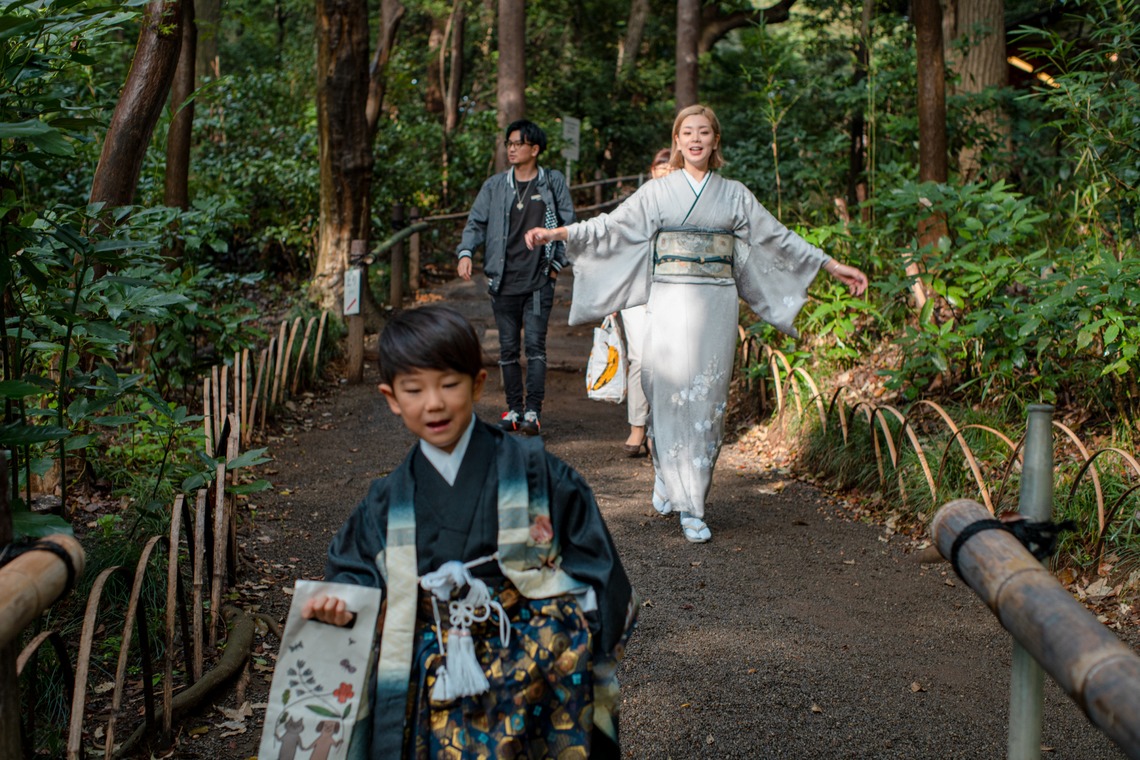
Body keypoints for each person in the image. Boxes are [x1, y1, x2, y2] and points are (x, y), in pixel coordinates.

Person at [301, 304, 638, 758]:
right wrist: (342, 598)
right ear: (391, 398)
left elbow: (600, 573)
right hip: (428, 682)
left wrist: (568, 638)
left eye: (449, 384)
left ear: (478, 384)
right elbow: (355, 568)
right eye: (414, 389)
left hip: (534, 678)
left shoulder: (539, 476)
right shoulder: (385, 502)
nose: (434, 402)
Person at [525, 104, 868, 544]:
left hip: (717, 300)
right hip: (668, 297)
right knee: (663, 390)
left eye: (704, 132)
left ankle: (693, 503)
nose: (695, 139)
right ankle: (669, 476)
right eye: (687, 132)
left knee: (706, 399)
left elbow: (776, 236)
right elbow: (613, 226)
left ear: (715, 141)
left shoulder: (735, 194)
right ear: (677, 140)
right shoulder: (658, 192)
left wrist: (830, 264)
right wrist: (558, 234)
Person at [456, 120, 576, 436]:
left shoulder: (552, 183)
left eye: (517, 143)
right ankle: (514, 410)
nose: (511, 148)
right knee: (508, 350)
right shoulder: (495, 186)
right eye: (508, 143)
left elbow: (568, 226)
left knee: (535, 348)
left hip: (538, 280)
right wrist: (466, 252)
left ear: (534, 149)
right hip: (502, 281)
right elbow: (475, 223)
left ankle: (533, 412)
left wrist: (555, 267)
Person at [619, 148, 674, 457]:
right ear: (652, 170)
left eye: (670, 167)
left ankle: (657, 430)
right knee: (640, 358)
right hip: (635, 291)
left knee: (664, 361)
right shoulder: (636, 203)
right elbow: (617, 244)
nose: (664, 172)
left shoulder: (684, 206)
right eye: (659, 167)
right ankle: (637, 427)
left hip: (671, 292)